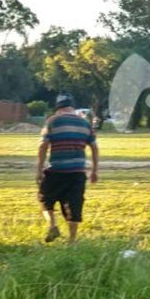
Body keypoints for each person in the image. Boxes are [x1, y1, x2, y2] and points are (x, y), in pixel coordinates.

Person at [36, 94, 99, 245]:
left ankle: (52, 226)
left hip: (56, 170)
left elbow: (43, 145)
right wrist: (94, 170)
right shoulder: (85, 123)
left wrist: (39, 168)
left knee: (45, 198)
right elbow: (95, 147)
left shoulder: (52, 121)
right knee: (74, 204)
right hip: (77, 172)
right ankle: (72, 240)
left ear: (58, 108)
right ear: (72, 107)